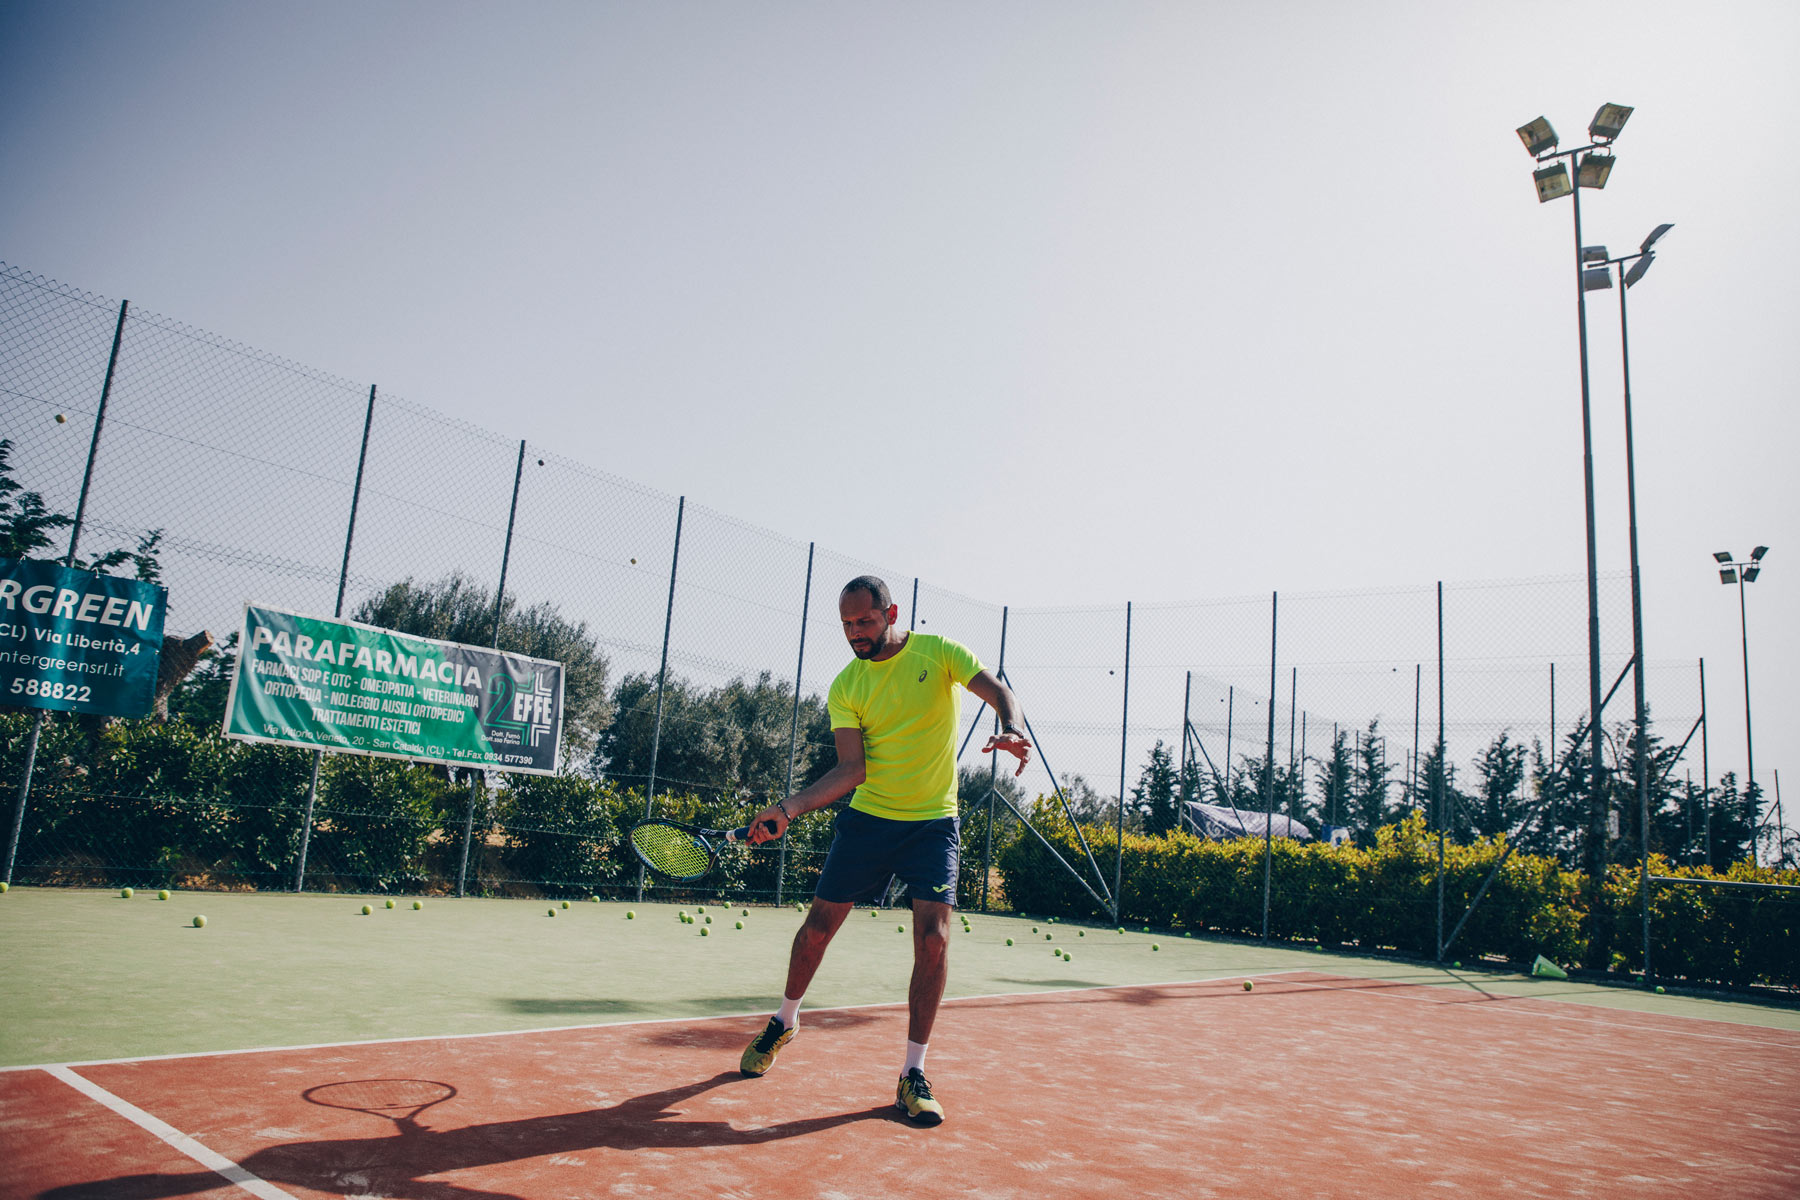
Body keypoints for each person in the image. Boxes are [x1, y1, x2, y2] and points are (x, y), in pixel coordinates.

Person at [739, 575, 1030, 1126]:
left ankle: (912, 1073)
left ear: (891, 612)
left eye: (865, 621)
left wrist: (1011, 727)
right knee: (818, 929)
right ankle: (785, 1020)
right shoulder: (846, 686)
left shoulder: (937, 652)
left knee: (934, 939)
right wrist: (789, 809)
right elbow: (854, 769)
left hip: (933, 824)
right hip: (870, 819)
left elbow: (997, 690)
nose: (855, 634)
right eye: (847, 625)